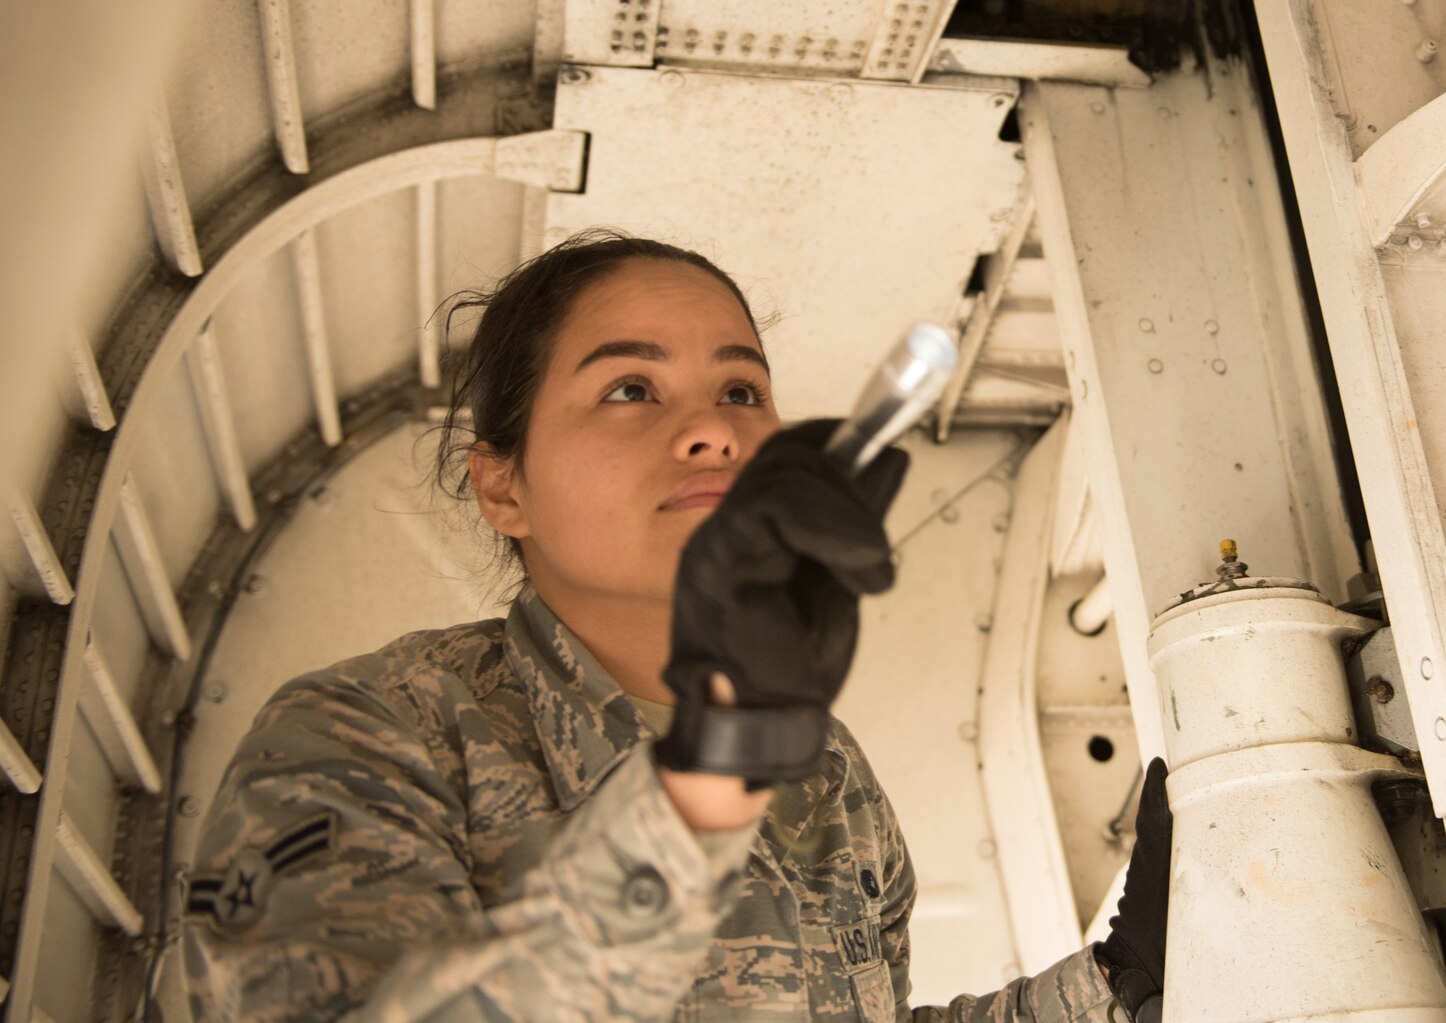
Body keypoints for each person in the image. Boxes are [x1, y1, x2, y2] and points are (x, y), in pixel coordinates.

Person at [183, 230, 1170, 1021]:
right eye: (628, 389)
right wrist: (711, 773)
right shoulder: (368, 734)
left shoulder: (824, 768)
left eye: (741, 391)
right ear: (503, 486)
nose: (713, 430)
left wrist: (1112, 982)